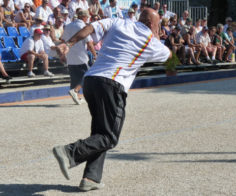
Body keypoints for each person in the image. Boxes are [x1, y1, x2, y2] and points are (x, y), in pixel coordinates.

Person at [53, 8, 171, 191]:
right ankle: (69, 152)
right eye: (158, 25)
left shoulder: (118, 22)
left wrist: (68, 44)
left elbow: (90, 28)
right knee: (109, 137)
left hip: (91, 80)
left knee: (100, 132)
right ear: (151, 24)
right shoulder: (150, 40)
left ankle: (91, 178)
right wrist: (156, 38)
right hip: (112, 84)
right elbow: (170, 58)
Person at [61, 10, 96, 105]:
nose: (88, 19)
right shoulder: (83, 27)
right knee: (87, 76)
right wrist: (95, 55)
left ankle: (76, 96)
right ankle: (75, 91)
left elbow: (63, 40)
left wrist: (63, 54)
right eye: (87, 17)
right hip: (81, 55)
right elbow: (89, 43)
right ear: (84, 17)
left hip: (70, 55)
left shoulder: (68, 25)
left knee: (74, 78)